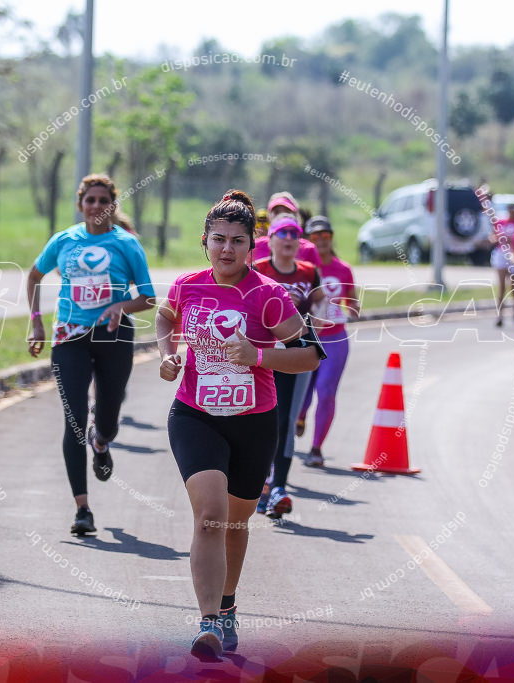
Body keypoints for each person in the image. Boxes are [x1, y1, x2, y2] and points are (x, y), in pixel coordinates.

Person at [156, 190, 321, 660]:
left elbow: (309, 355)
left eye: (237, 241)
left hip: (252, 422)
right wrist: (168, 355)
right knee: (209, 516)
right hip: (195, 415)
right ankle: (208, 621)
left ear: (254, 247)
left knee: (234, 521)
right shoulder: (188, 286)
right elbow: (166, 319)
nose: (226, 249)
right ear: (204, 242)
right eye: (218, 239)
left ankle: (228, 604)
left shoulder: (268, 296)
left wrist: (259, 355)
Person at [26, 174, 155, 536]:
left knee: (108, 418)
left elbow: (147, 296)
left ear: (113, 205)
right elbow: (33, 276)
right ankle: (83, 509)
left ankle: (102, 443)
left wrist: (120, 306)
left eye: (103, 200)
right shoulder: (64, 240)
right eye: (90, 200)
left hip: (114, 335)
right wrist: (36, 323)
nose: (96, 206)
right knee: (74, 420)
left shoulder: (126, 244)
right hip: (70, 336)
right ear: (81, 204)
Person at [253, 215, 325, 518]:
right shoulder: (258, 269)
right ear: (269, 239)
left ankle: (279, 487)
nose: (288, 238)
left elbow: (321, 304)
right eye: (281, 232)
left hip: (295, 356)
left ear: (300, 241)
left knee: (285, 421)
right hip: (261, 355)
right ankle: (258, 484)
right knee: (258, 419)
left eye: (294, 233)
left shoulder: (309, 272)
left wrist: (317, 317)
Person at [297, 216, 360, 466]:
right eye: (316, 237)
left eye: (326, 236)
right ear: (308, 241)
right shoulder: (301, 268)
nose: (322, 241)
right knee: (302, 393)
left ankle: (316, 448)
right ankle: (299, 416)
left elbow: (354, 306)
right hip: (305, 337)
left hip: (335, 338)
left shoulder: (342, 269)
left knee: (325, 392)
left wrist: (346, 311)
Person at [250, 193, 320, 266]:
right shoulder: (256, 245)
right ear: (269, 217)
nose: (282, 215)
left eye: (287, 211)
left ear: (296, 216)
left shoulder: (308, 249)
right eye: (277, 212)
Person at [489, 203, 514, 327]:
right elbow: (494, 235)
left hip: (512, 254)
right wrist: (495, 239)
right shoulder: (501, 222)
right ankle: (500, 315)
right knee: (502, 287)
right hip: (501, 253)